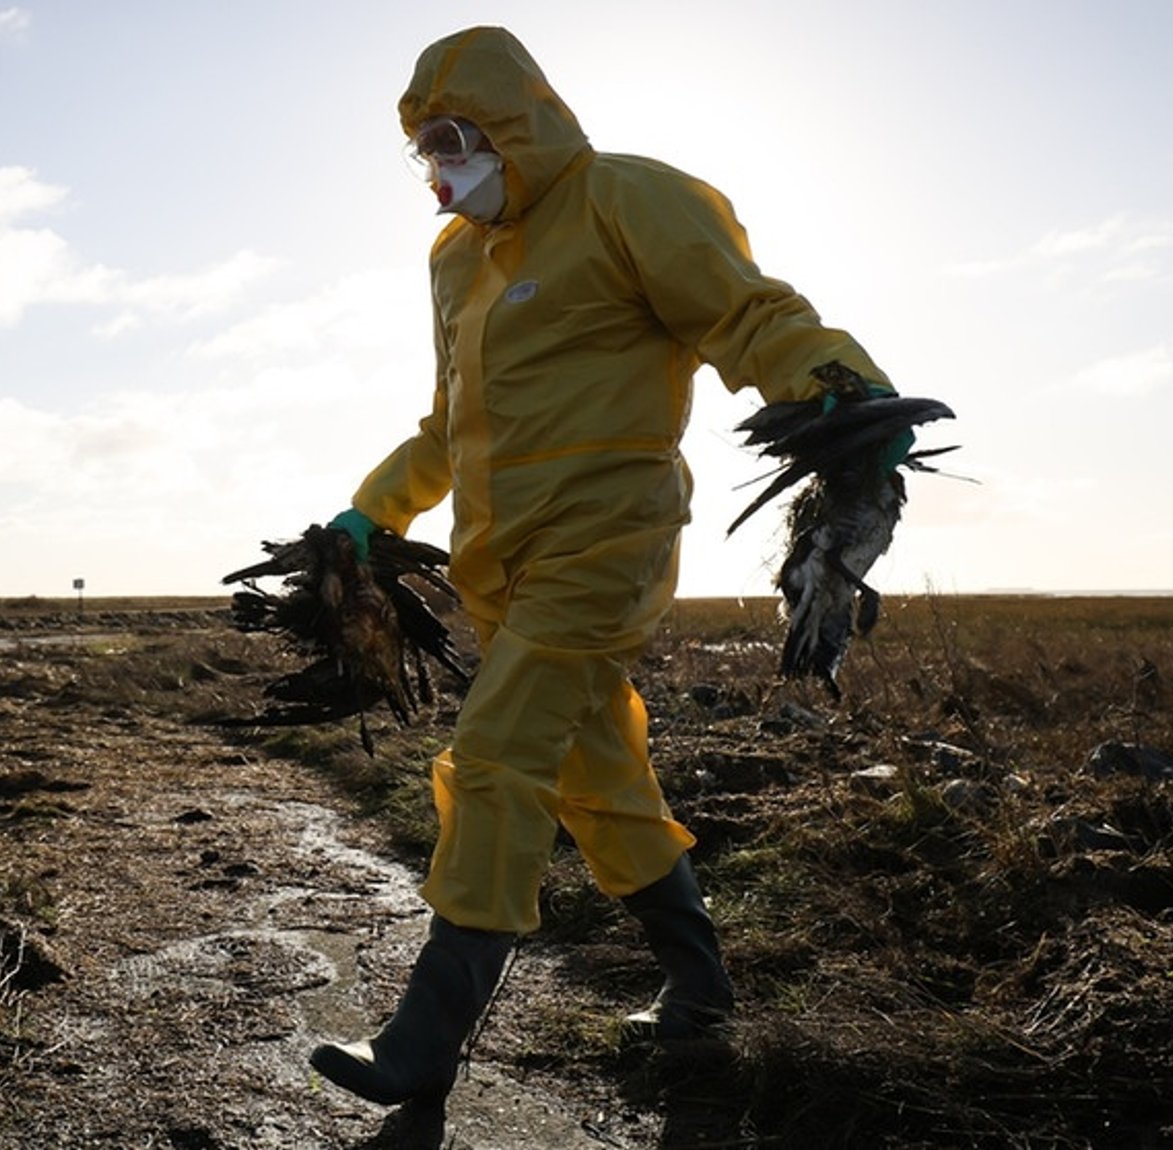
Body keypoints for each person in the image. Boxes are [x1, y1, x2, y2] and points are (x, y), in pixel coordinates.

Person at [308, 25, 897, 1107]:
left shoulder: (629, 199)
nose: (441, 165)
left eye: (455, 137)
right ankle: (698, 989)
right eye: (423, 148)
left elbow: (749, 313)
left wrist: (841, 396)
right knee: (595, 775)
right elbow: (448, 429)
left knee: (492, 752)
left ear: (513, 123)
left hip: (608, 535)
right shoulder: (454, 262)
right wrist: (363, 515)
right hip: (504, 562)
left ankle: (423, 1044)